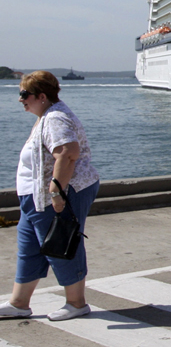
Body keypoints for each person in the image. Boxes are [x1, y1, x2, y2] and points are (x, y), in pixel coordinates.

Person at [1, 71, 100, 321]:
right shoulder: (45, 116)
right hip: (34, 197)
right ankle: (19, 302)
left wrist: (56, 192)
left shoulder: (55, 117)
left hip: (57, 195)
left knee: (61, 244)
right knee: (29, 247)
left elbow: (68, 152)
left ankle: (76, 303)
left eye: (24, 94)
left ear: (42, 96)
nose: (20, 99)